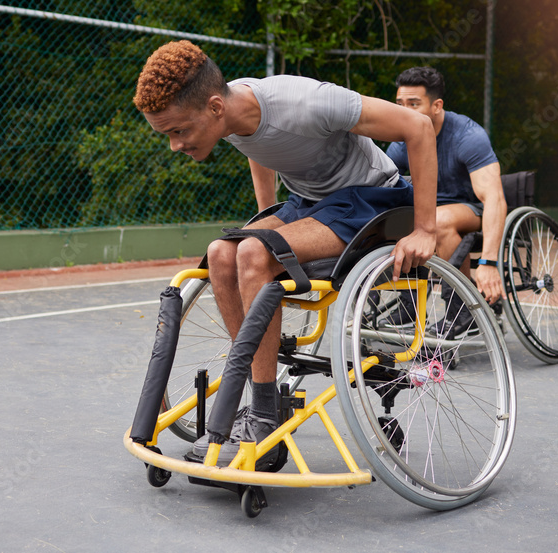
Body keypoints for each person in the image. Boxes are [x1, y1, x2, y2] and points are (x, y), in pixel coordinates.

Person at [133, 40, 438, 467]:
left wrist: (426, 228)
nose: (174, 145)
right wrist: (264, 216)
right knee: (223, 252)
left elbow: (419, 127)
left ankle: (262, 418)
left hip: (370, 199)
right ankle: (260, 401)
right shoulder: (232, 113)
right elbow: (259, 146)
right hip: (309, 202)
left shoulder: (307, 103)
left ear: (216, 107)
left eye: (179, 131)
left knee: (254, 254)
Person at [383, 66, 506, 337]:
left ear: (436, 106)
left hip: (470, 210)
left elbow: (494, 198)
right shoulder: (401, 141)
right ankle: (410, 305)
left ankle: (462, 308)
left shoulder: (467, 136)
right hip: (429, 213)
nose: (404, 111)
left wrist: (489, 262)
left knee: (437, 221)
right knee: (392, 218)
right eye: (400, 104)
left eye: (413, 104)